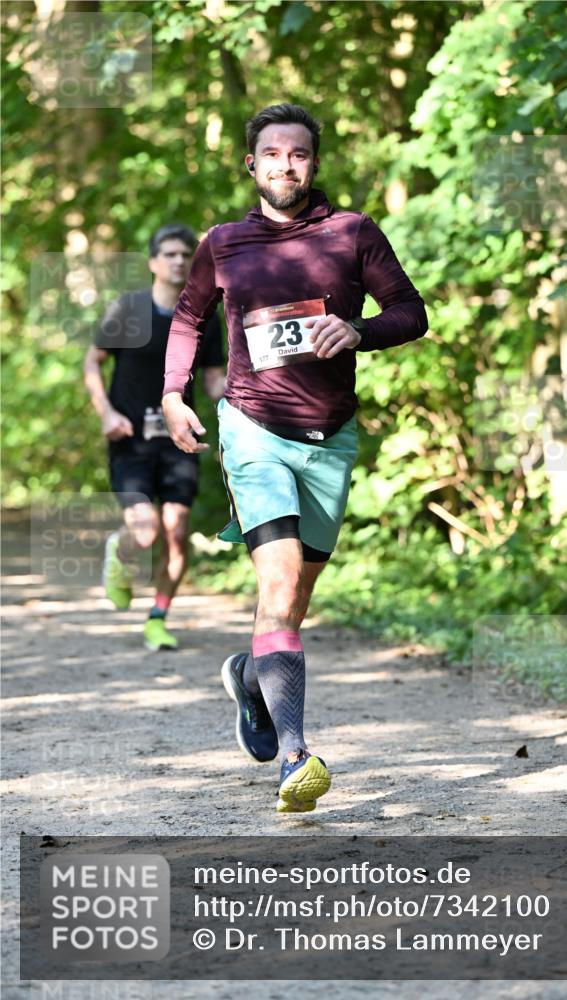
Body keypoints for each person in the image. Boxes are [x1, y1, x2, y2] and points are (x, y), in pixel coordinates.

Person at [162, 104, 427, 811]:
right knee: (276, 584)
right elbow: (188, 318)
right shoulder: (221, 243)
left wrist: (358, 331)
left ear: (313, 163)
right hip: (251, 429)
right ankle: (294, 758)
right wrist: (172, 393)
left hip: (329, 437)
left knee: (294, 600)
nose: (285, 164)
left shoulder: (352, 233)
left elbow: (410, 310)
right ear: (250, 164)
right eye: (272, 153)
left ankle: (250, 678)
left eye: (299, 154)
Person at [83, 224, 225, 651]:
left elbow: (215, 381)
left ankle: (158, 617)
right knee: (144, 533)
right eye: (169, 254)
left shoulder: (205, 317)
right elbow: (93, 363)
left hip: (179, 439)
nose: (179, 260)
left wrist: (251, 390)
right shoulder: (128, 309)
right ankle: (120, 552)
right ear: (152, 262)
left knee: (177, 530)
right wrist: (106, 413)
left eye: (186, 254)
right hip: (130, 440)